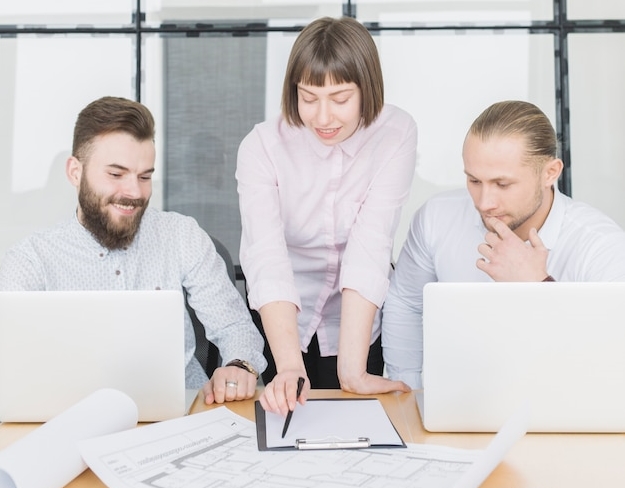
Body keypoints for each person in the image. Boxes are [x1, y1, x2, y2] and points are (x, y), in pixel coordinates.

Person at [0, 96, 266, 405]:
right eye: (116, 174)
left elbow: (235, 327)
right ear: (75, 172)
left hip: (182, 410)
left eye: (144, 176)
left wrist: (239, 365)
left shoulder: (181, 235)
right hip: (70, 412)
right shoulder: (31, 260)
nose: (134, 192)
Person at [237, 16, 416, 415]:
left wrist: (352, 370)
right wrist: (288, 367)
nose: (322, 117)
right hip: (283, 316)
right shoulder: (261, 146)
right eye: (308, 97)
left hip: (356, 320)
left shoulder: (396, 132)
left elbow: (371, 244)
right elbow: (266, 255)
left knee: (356, 427)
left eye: (340, 98)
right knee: (288, 424)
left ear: (368, 88)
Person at [382, 100, 625, 389]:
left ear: (550, 173)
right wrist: (410, 392)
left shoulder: (601, 247)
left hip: (559, 404)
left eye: (502, 184)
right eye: (474, 181)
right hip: (460, 403)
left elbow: (611, 360)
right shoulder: (437, 218)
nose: (484, 203)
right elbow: (406, 303)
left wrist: (538, 286)